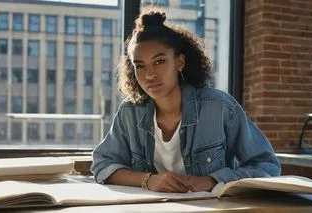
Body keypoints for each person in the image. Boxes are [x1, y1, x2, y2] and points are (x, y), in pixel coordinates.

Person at [91, 8, 280, 193]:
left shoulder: (220, 108)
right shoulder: (129, 112)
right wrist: (148, 181)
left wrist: (212, 180)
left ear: (179, 62)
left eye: (159, 62)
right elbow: (102, 164)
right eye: (140, 66)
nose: (149, 75)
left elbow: (267, 166)